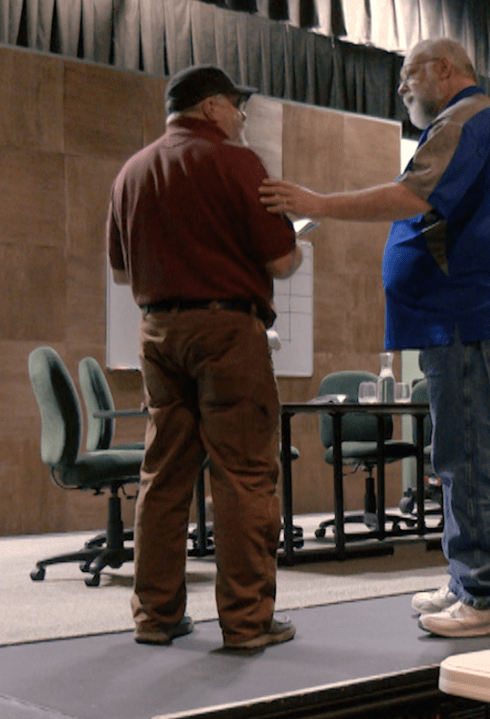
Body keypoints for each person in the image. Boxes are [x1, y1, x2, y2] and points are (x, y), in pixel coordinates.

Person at [259, 38, 490, 638]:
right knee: (469, 454)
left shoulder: (464, 119)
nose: (401, 89)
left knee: (469, 457)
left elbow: (410, 198)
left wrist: (318, 203)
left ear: (444, 70)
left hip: (474, 316)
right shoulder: (475, 124)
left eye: (408, 74)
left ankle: (485, 595)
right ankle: (468, 578)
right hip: (481, 315)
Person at [107, 64, 303, 649]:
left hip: (157, 334)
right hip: (226, 331)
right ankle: (247, 623)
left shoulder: (130, 172)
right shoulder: (236, 163)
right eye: (238, 106)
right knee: (243, 475)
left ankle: (156, 617)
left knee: (163, 475)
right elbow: (281, 261)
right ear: (213, 107)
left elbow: (121, 272)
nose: (242, 117)